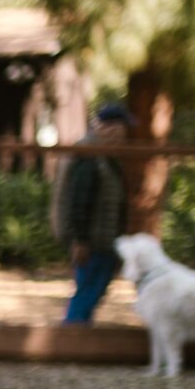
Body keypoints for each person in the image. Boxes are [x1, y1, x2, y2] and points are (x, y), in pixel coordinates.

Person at [54, 101, 132, 323]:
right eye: (121, 130)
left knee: (94, 290)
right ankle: (73, 335)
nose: (123, 137)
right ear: (110, 128)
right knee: (87, 289)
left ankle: (79, 332)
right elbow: (80, 200)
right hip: (92, 241)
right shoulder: (90, 157)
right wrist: (80, 239)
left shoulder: (107, 158)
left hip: (104, 239)